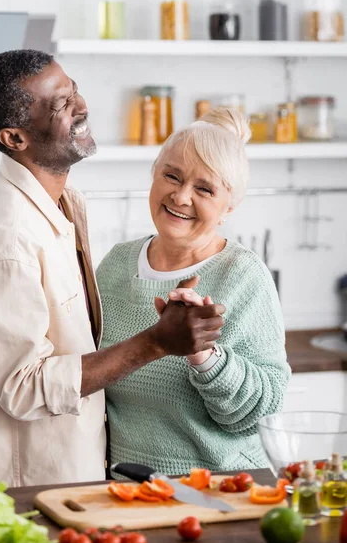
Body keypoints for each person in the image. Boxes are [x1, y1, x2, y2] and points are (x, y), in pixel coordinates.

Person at [0, 50, 225, 491]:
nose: (82, 107)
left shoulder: (56, 195)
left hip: (67, 466)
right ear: (15, 138)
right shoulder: (11, 236)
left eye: (73, 89)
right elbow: (22, 387)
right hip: (29, 481)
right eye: (60, 104)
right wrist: (155, 342)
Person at [97, 107, 291, 475]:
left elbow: (262, 413)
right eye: (172, 175)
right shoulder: (115, 265)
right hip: (125, 491)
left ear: (229, 206)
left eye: (204, 188)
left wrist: (204, 355)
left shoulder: (243, 276)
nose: (181, 196)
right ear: (154, 174)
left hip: (222, 490)